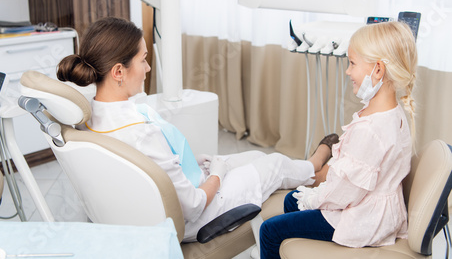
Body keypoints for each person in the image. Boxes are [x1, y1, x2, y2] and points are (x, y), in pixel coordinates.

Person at [57, 17, 335, 242]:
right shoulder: (140, 133)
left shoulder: (90, 118)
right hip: (194, 216)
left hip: (165, 198)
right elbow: (192, 205)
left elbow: (155, 170)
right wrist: (216, 174)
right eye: (142, 60)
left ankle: (309, 174)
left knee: (256, 158)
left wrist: (193, 165)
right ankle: (314, 169)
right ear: (118, 72)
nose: (148, 67)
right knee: (272, 163)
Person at [259, 21, 418, 258]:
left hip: (362, 219)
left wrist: (315, 198)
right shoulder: (390, 113)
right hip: (368, 207)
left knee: (269, 230)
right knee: (294, 198)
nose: (348, 71)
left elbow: (344, 195)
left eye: (352, 63)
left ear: (377, 70)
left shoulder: (371, 130)